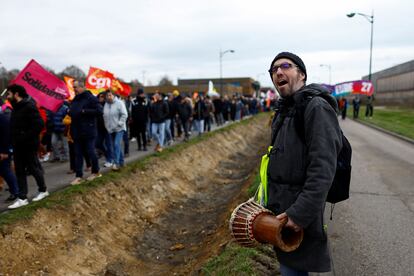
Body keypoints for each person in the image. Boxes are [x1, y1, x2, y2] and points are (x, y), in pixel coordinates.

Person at [266, 52, 342, 274]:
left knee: (293, 271)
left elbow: (323, 168)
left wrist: (299, 214)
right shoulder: (285, 108)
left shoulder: (316, 107)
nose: (278, 72)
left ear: (302, 74)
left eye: (286, 66)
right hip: (280, 213)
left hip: (297, 217)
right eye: (273, 70)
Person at [6, 84, 49, 209]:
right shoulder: (16, 107)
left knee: (33, 167)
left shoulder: (29, 106)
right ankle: (22, 197)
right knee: (19, 170)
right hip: (17, 145)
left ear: (16, 94)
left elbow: (39, 124)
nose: (7, 97)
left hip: (28, 144)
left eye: (9, 94)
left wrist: (24, 136)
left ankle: (43, 190)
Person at [69, 80, 102, 185]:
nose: (74, 89)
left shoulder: (91, 98)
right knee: (78, 154)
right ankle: (79, 176)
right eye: (73, 87)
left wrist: (85, 111)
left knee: (90, 152)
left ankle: (96, 172)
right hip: (77, 131)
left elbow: (99, 111)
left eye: (76, 87)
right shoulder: (74, 100)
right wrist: (69, 112)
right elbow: (74, 112)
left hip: (89, 130)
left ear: (82, 87)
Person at [103, 90, 128, 171]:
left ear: (113, 95)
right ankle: (122, 162)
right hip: (110, 129)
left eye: (110, 95)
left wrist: (119, 123)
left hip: (119, 128)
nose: (109, 97)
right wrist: (107, 126)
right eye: (107, 96)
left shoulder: (119, 103)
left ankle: (116, 164)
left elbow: (124, 114)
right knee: (116, 146)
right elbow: (105, 116)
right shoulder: (106, 104)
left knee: (116, 144)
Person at [0, 109, 19, 202]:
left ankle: (15, 191)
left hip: (3, 150)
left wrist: (5, 152)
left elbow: (6, 137)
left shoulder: (3, 119)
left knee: (5, 170)